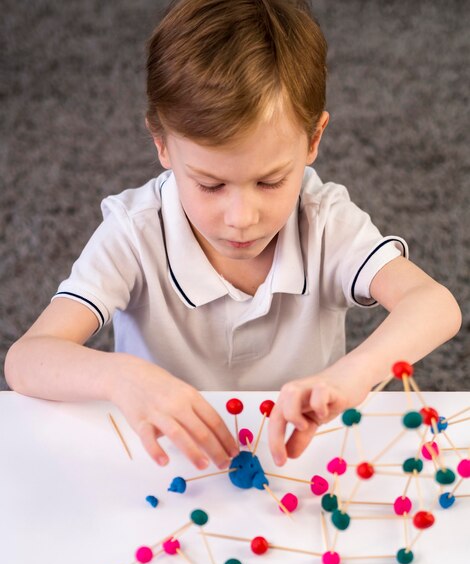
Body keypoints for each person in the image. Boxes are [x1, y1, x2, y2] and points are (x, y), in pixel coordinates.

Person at [4, 0, 461, 472]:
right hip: (162, 467)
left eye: (269, 182)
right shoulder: (134, 231)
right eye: (210, 184)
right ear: (161, 143)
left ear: (313, 140)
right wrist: (121, 376)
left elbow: (434, 304)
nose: (241, 217)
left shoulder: (323, 219)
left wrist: (350, 378)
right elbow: (26, 359)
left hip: (302, 468)